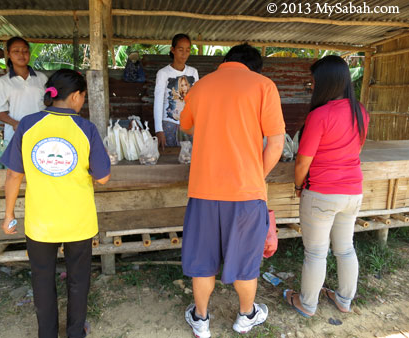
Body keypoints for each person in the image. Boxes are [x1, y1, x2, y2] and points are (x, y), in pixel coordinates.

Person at [179, 43, 285, 337]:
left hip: (203, 192)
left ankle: (201, 320)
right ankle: (245, 316)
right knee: (245, 261)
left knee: (202, 261)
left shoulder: (200, 87)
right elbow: (276, 143)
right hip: (246, 193)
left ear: (225, 62)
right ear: (255, 67)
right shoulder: (264, 86)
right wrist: (254, 176)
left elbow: (186, 125)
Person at [0, 69, 111, 338]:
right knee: (78, 280)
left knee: (41, 279)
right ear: (75, 96)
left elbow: (14, 174)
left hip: (41, 222)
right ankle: (75, 333)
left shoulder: (27, 124)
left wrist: (8, 214)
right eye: (83, 96)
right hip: (78, 221)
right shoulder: (86, 129)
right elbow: (104, 177)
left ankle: (47, 334)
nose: (82, 101)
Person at [285, 55, 369, 317]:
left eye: (314, 82)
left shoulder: (320, 115)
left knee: (316, 253)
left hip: (321, 193)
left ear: (326, 83)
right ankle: (344, 300)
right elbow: (357, 150)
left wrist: (299, 186)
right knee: (345, 248)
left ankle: (307, 304)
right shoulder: (361, 112)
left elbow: (302, 162)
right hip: (353, 192)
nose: (312, 86)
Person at [0, 37, 48, 142]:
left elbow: (49, 103)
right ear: (8, 54)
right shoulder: (3, 82)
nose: (21, 54)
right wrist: (16, 124)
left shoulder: (41, 78)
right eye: (16, 51)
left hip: (41, 132)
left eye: (25, 51)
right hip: (15, 134)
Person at [154, 33, 199, 150]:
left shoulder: (193, 72)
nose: (184, 54)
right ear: (172, 50)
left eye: (188, 50)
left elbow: (196, 102)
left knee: (188, 159)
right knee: (170, 159)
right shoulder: (163, 73)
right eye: (180, 49)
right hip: (169, 125)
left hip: (189, 125)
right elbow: (158, 102)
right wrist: (159, 129)